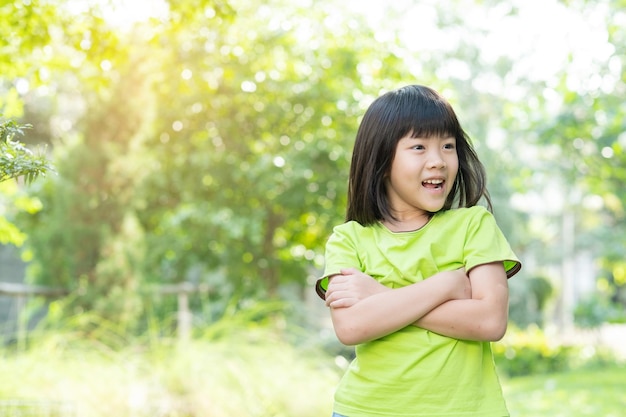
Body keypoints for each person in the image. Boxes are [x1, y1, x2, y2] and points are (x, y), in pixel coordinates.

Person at [315, 84, 522, 417]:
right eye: (419, 147)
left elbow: (490, 320)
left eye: (448, 146)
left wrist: (380, 296)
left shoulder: (473, 225)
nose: (438, 161)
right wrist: (448, 286)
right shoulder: (349, 239)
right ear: (382, 160)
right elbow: (351, 328)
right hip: (366, 410)